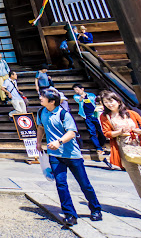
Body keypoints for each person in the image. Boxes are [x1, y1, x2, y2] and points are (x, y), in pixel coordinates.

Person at [36, 88, 102, 226]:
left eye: (43, 96)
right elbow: (41, 127)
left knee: (84, 184)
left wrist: (59, 142)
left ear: (52, 101)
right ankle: (69, 214)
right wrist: (38, 142)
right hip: (54, 155)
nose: (40, 98)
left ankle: (96, 209)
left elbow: (72, 133)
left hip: (72, 155)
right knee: (61, 184)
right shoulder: (41, 112)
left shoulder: (63, 114)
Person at [99, 90, 141, 223]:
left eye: (111, 101)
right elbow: (107, 133)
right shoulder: (105, 117)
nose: (109, 104)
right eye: (105, 102)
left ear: (118, 100)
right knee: (138, 182)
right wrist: (119, 132)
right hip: (124, 150)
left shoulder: (132, 114)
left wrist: (140, 131)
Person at [72, 84, 110, 168]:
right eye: (75, 90)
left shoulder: (91, 95)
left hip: (96, 114)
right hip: (87, 116)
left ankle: (100, 144)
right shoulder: (76, 96)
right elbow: (79, 100)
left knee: (101, 131)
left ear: (82, 89)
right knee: (92, 132)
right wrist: (82, 97)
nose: (76, 91)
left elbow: (96, 101)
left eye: (77, 90)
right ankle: (98, 148)